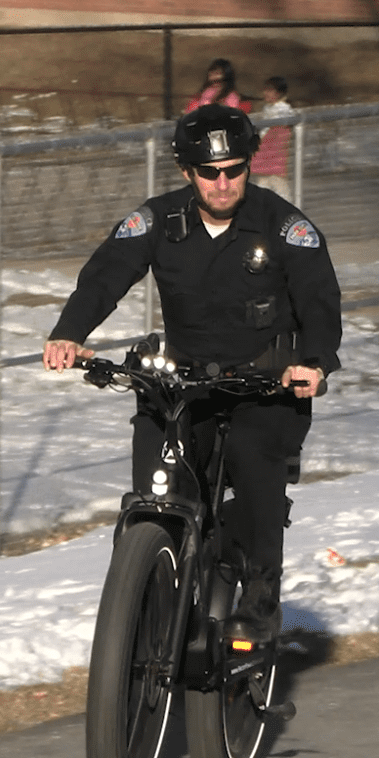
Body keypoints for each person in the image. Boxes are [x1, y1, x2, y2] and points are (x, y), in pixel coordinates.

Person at [43, 104, 342, 645]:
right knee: (156, 475)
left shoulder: (284, 226)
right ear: (187, 173)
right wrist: (70, 333)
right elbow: (105, 276)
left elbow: (320, 301)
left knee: (255, 463)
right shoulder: (158, 221)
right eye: (210, 172)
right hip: (184, 382)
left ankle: (259, 595)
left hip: (266, 386)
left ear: (249, 165)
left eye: (234, 169)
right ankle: (148, 593)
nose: (223, 182)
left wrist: (315, 363)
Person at [253, 76, 293, 198]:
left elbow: (276, 134)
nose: (266, 93)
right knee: (262, 189)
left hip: (274, 157)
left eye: (270, 90)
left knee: (279, 190)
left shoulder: (284, 111)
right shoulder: (268, 109)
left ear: (280, 93)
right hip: (265, 157)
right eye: (265, 90)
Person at [184, 58, 253, 115]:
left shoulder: (231, 96)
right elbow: (192, 110)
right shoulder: (206, 92)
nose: (213, 75)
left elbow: (231, 113)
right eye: (212, 72)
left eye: (218, 73)